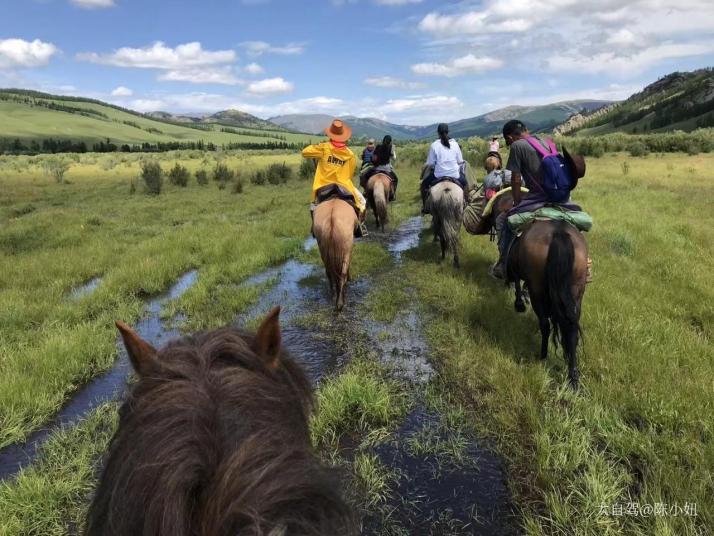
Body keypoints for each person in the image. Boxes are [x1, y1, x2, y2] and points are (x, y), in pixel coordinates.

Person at [490, 119, 581, 279]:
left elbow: (516, 179)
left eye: (507, 142)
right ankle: (584, 264)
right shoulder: (547, 141)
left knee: (503, 221)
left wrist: (517, 203)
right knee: (573, 225)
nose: (509, 144)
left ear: (510, 138)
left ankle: (504, 264)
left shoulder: (518, 146)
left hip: (539, 199)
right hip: (563, 198)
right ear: (526, 129)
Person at [302, 119, 369, 237]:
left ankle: (314, 227)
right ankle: (360, 227)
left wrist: (318, 146)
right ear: (344, 137)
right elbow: (350, 173)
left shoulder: (323, 148)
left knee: (313, 205)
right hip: (344, 186)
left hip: (323, 186)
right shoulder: (350, 154)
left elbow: (305, 152)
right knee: (362, 202)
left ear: (331, 134)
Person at [420, 123, 467, 214]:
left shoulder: (434, 145)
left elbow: (430, 163)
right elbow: (460, 160)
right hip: (455, 174)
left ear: (438, 133)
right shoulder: (455, 144)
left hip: (438, 175)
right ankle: (466, 203)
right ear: (448, 132)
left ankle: (425, 207)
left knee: (423, 185)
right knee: (465, 184)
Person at [360, 135, 398, 199]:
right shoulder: (392, 147)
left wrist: (374, 161)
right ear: (390, 141)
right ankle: (392, 195)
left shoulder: (378, 147)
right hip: (387, 169)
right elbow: (394, 158)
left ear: (383, 140)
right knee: (396, 179)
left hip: (377, 168)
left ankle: (366, 191)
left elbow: (374, 158)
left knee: (365, 176)